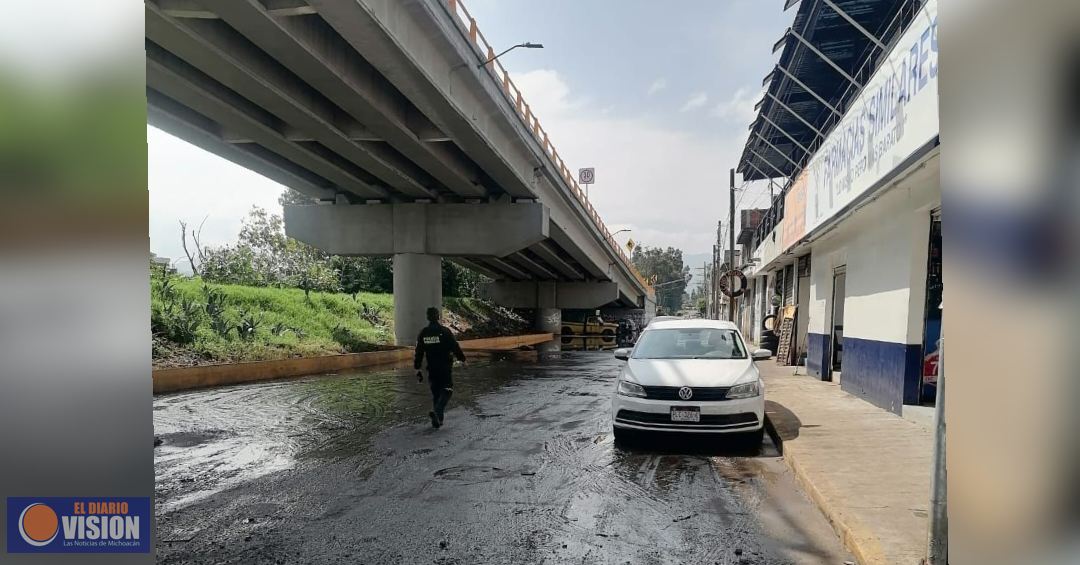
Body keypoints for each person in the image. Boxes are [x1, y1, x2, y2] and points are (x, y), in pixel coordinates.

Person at [414, 307, 465, 429]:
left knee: (436, 393)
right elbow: (455, 346)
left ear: (427, 317)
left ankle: (438, 420)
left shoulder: (423, 333)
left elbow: (419, 352)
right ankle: (437, 412)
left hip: (432, 368)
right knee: (447, 389)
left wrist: (417, 368)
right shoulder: (445, 331)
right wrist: (462, 359)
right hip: (445, 367)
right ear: (438, 317)